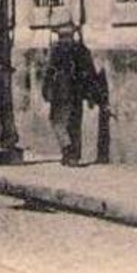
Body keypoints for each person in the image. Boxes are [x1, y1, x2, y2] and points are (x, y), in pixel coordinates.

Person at [41, 20, 108, 166]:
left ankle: (67, 149)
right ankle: (74, 156)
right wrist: (91, 94)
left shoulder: (56, 49)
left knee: (57, 121)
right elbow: (90, 73)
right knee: (74, 124)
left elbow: (49, 70)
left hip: (60, 92)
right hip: (77, 92)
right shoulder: (82, 49)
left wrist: (46, 89)